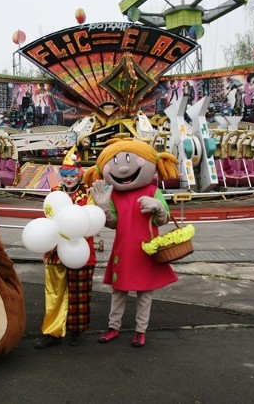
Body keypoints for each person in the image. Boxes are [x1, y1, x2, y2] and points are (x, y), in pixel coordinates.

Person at [85, 139, 177, 348]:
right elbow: (113, 224)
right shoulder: (113, 194)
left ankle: (140, 331)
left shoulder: (153, 192)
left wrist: (159, 208)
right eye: (116, 162)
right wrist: (104, 208)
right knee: (118, 291)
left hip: (148, 250)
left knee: (145, 292)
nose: (124, 167)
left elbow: (163, 220)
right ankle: (113, 327)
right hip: (123, 250)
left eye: (130, 159)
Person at [34, 148, 97, 349]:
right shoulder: (54, 193)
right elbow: (48, 218)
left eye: (72, 175)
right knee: (54, 293)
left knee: (80, 294)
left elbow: (91, 221)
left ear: (79, 174)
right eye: (65, 175)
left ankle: (76, 331)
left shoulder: (87, 193)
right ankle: (52, 332)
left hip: (80, 250)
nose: (68, 179)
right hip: (54, 252)